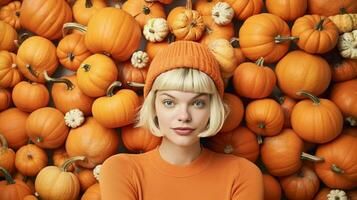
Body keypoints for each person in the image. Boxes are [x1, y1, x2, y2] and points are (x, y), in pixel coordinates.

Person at [99, 41, 263, 200]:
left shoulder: (243, 175)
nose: (184, 116)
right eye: (169, 103)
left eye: (198, 103)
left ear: (212, 109)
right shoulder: (120, 170)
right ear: (154, 107)